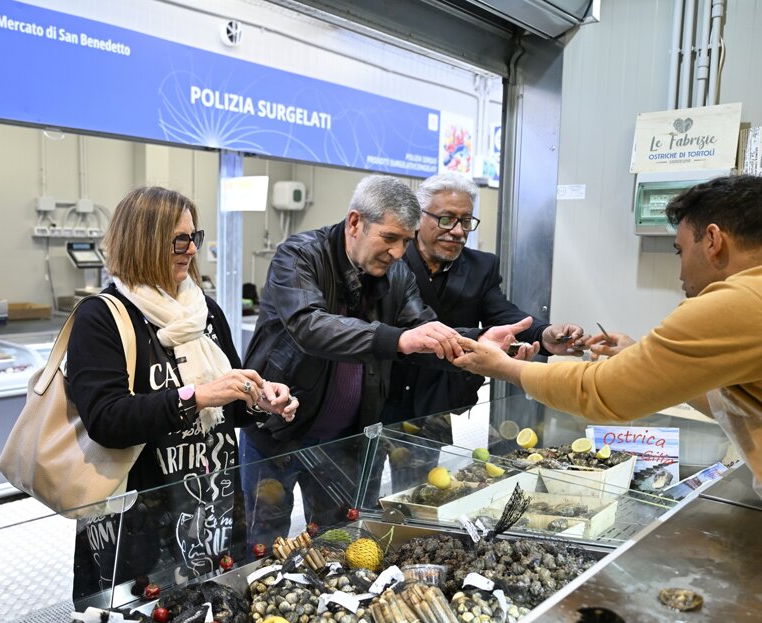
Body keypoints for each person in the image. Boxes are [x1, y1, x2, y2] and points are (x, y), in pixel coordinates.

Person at [240, 174, 529, 544]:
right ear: (355, 222)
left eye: (405, 241)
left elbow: (425, 332)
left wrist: (478, 341)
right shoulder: (299, 256)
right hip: (279, 431)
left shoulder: (397, 273)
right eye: (389, 238)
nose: (397, 252)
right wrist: (398, 339)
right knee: (265, 542)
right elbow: (310, 326)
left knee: (342, 540)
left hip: (347, 441)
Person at [452, 174, 762, 496]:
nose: (681, 271)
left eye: (679, 251)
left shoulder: (734, 303)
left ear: (713, 240)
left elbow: (599, 391)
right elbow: (739, 402)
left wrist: (504, 368)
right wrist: (640, 358)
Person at [66, 186, 297, 601]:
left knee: (214, 611)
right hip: (139, 516)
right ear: (144, 241)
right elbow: (106, 419)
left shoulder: (205, 312)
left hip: (214, 509)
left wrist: (262, 400)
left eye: (195, 237)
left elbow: (231, 408)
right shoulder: (101, 317)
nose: (191, 249)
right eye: (180, 239)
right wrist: (198, 396)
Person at [382, 171, 586, 424]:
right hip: (381, 393)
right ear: (418, 217)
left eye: (466, 221)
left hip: (438, 403)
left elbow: (505, 315)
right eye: (446, 219)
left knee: (430, 465)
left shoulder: (481, 267)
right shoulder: (389, 259)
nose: (458, 231)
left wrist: (544, 334)